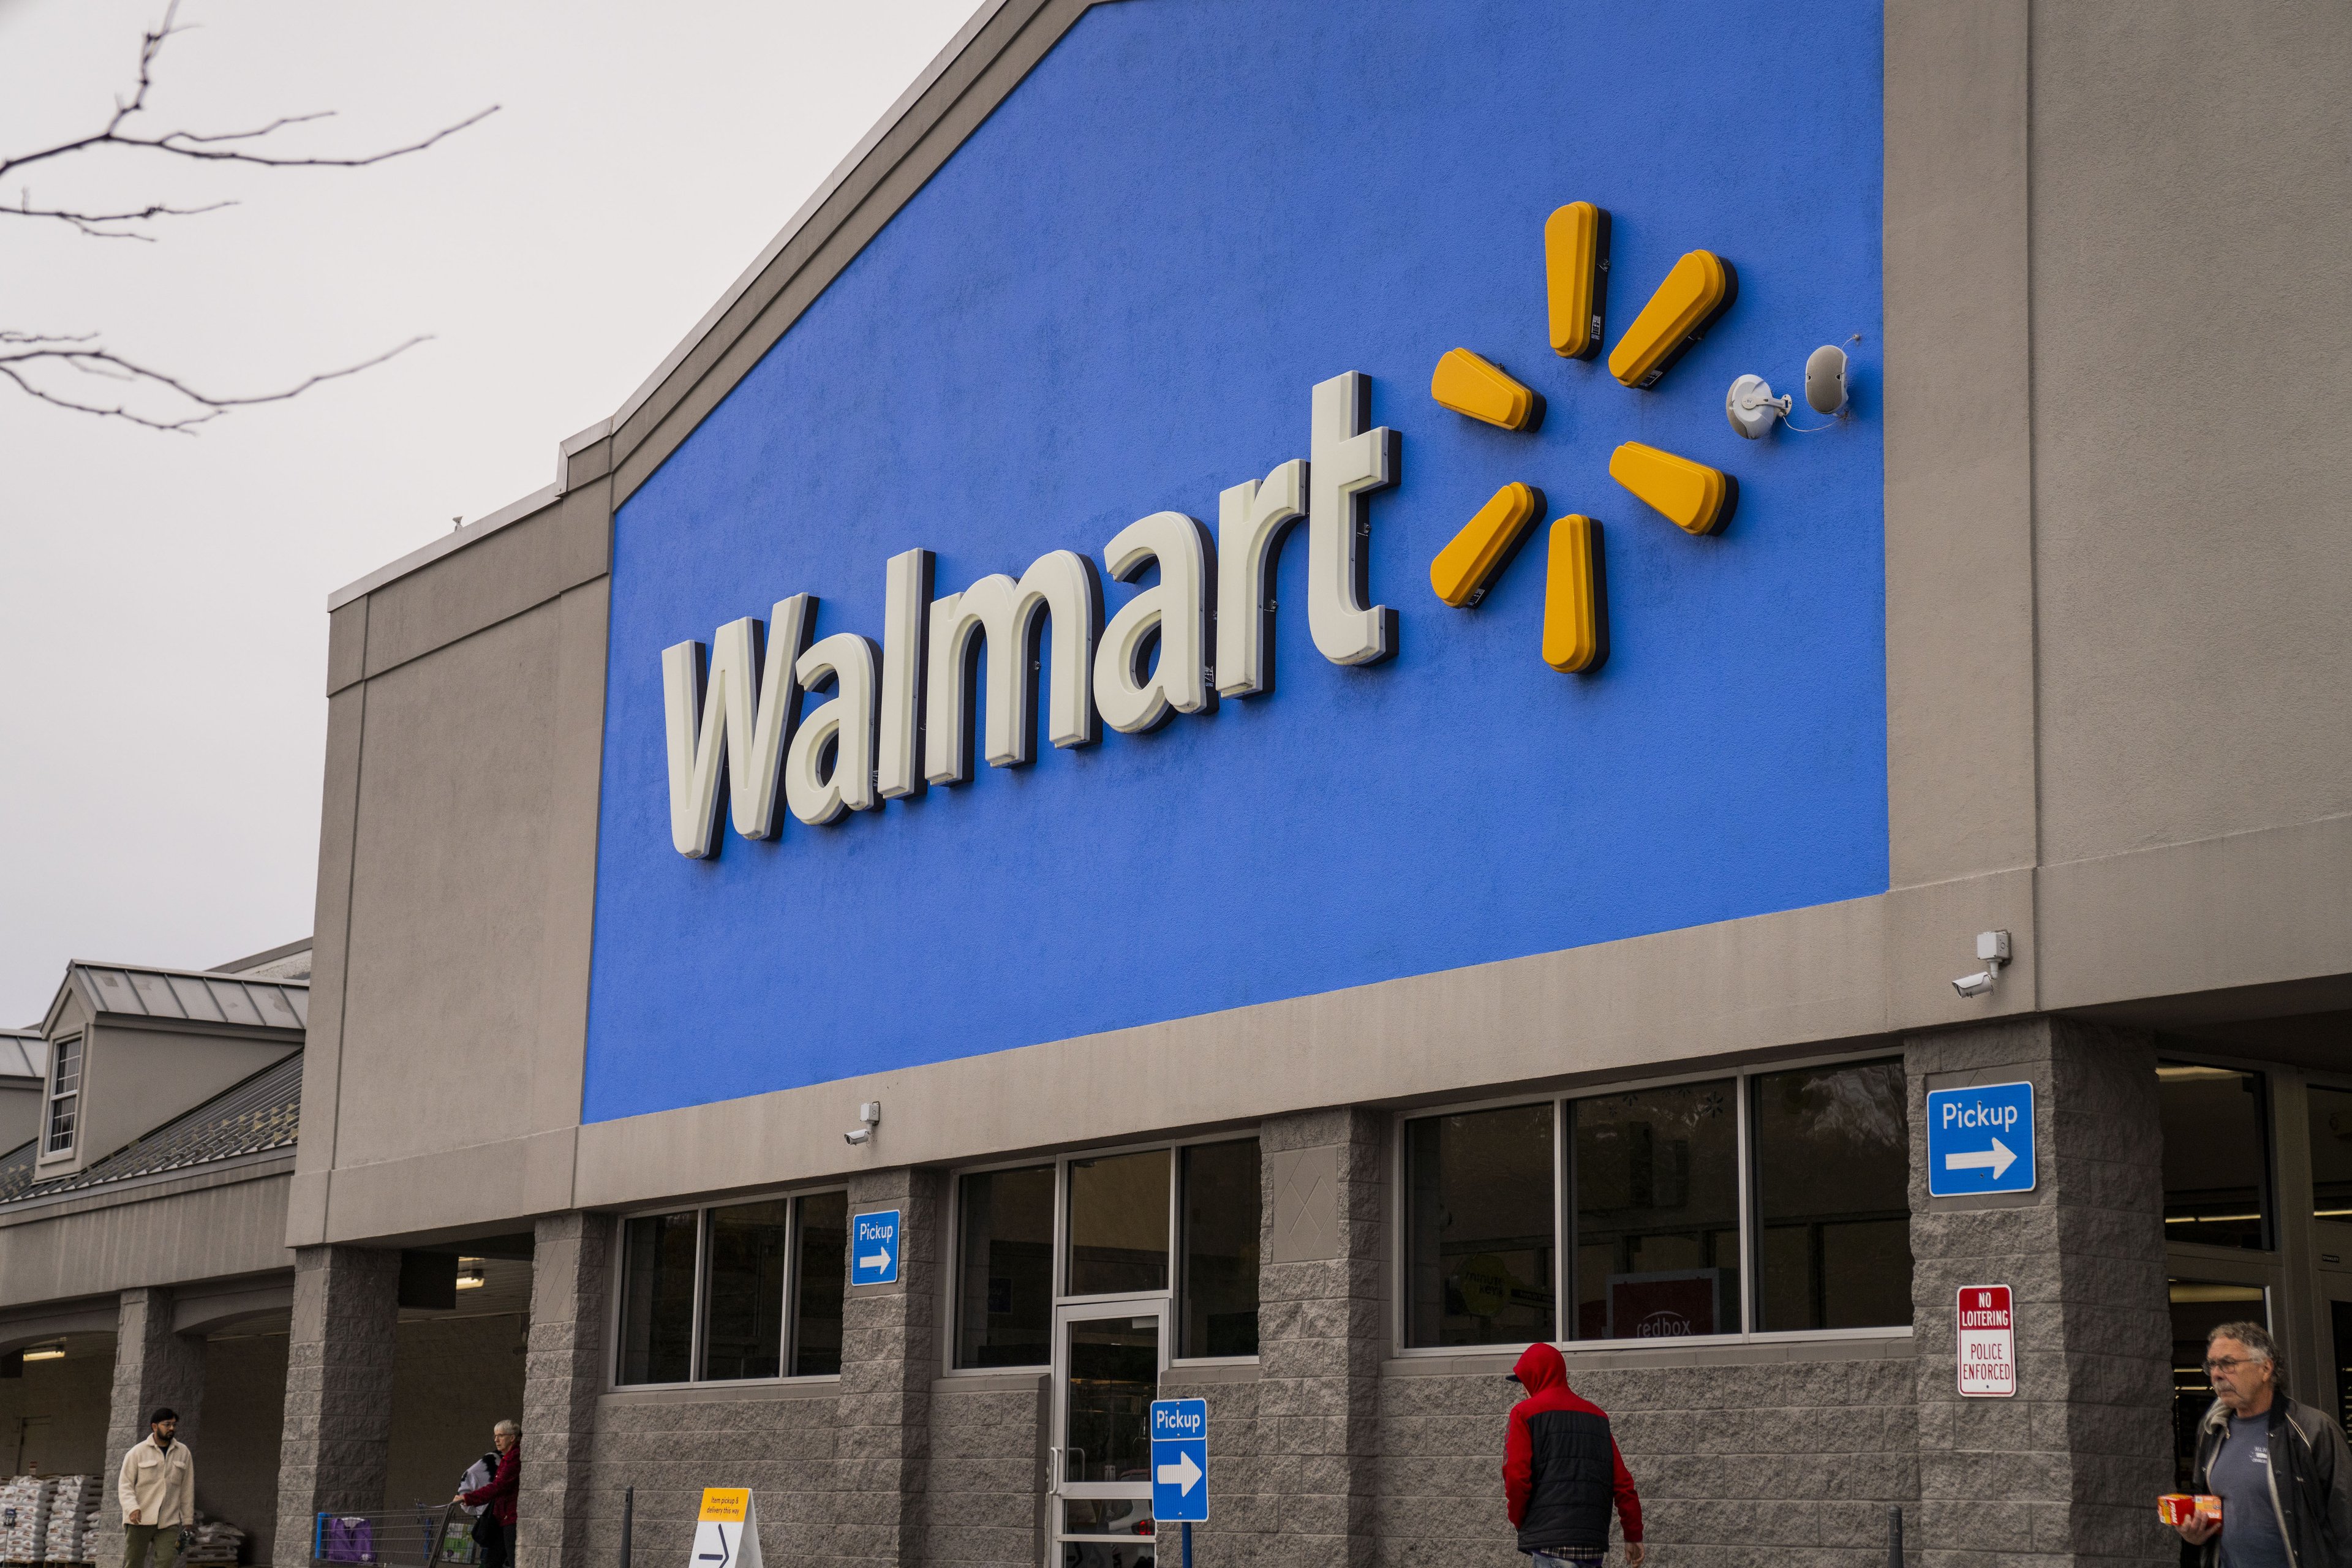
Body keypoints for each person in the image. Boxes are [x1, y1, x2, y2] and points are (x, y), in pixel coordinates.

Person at [2179, 1321, 2352, 1567]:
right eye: (2212, 1365)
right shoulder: (2212, 1429)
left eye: (2228, 1364)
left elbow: (2346, 1519)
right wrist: (2195, 1533)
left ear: (2266, 1368)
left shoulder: (2313, 1430)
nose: (2216, 1374)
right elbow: (2204, 1502)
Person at [1501, 1343, 1644, 1568]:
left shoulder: (1524, 1413)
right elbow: (1623, 1483)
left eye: (1524, 1380)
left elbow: (1516, 1476)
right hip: (1592, 1547)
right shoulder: (1598, 1417)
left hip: (1550, 1545)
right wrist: (1633, 1533)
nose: (1522, 1390)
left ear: (1537, 1376)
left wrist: (1521, 1521)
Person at [118, 1408, 194, 1568]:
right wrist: (132, 1508)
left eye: (174, 1424)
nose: (172, 1428)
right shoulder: (137, 1453)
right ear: (155, 1427)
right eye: (167, 1424)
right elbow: (125, 1485)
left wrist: (187, 1518)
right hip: (140, 1519)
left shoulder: (183, 1452)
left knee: (166, 1561)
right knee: (134, 1562)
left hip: (169, 1520)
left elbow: (187, 1487)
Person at [454, 1420, 520, 1568]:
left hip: (510, 1519)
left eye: (501, 1436)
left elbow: (498, 1487)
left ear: (512, 1438)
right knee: (491, 1562)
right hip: (503, 1519)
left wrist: (468, 1497)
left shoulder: (514, 1459)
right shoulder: (507, 1458)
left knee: (509, 1560)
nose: (496, 1440)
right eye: (495, 1436)